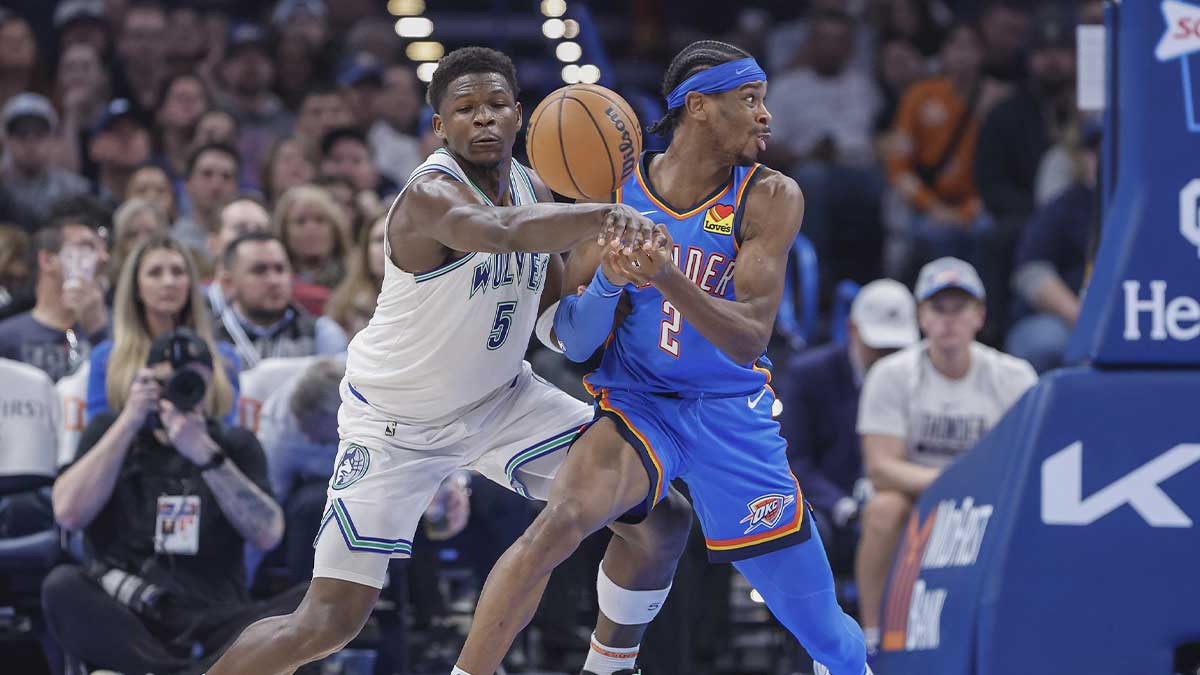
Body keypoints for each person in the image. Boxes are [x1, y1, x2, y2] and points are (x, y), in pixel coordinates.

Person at [205, 45, 689, 675]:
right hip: (395, 423)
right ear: (439, 126)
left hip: (504, 401)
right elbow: (498, 232)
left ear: (520, 116)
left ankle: (607, 667)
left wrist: (607, 272)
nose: (482, 119)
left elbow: (553, 321)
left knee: (660, 513)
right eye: (465, 109)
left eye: (495, 105)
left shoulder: (530, 185)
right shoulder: (427, 196)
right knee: (327, 623)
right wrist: (604, 214)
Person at [456, 40, 869, 675]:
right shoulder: (611, 190)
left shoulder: (770, 196)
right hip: (639, 401)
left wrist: (666, 276)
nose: (766, 116)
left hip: (730, 414)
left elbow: (750, 338)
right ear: (698, 106)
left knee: (825, 634)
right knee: (562, 520)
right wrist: (611, 283)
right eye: (750, 100)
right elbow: (574, 339)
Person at [45, 328, 306, 675]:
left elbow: (268, 534)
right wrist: (129, 421)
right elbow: (68, 513)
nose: (177, 394)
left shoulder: (233, 444)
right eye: (165, 383)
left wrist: (205, 455)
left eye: (189, 384)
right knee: (62, 585)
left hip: (216, 614)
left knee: (306, 602)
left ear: (208, 386)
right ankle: (191, 671)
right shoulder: (109, 430)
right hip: (132, 612)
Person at [853, 257, 1037, 656]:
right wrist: (954, 482)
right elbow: (881, 468)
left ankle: (1015, 640)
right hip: (915, 496)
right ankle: (873, 638)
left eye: (960, 308)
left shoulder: (1015, 376)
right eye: (938, 308)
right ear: (921, 316)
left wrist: (970, 487)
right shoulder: (891, 374)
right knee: (882, 509)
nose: (948, 320)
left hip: (988, 500)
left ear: (980, 316)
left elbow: (1025, 465)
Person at [776, 279, 918, 576]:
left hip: (897, 504)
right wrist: (843, 506)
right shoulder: (809, 375)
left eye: (896, 348)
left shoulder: (919, 379)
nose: (886, 357)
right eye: (878, 346)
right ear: (853, 330)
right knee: (808, 532)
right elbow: (795, 460)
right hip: (829, 507)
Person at [85, 236, 240, 423]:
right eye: (155, 273)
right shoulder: (107, 358)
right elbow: (96, 435)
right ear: (136, 288)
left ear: (190, 284)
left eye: (178, 272)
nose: (168, 282)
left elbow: (229, 436)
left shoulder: (224, 359)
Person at [0, 209, 110, 382]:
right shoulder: (7, 338)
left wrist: (99, 332)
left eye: (103, 248)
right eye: (87, 247)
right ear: (48, 260)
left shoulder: (116, 328)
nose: (103, 258)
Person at [212, 231, 348, 368]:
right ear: (228, 283)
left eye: (280, 269)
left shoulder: (321, 333)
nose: (274, 281)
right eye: (259, 270)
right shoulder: (208, 337)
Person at [0, 93, 91, 231]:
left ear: (53, 138)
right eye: (21, 133)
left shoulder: (75, 190)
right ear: (6, 139)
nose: (30, 141)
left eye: (39, 133)